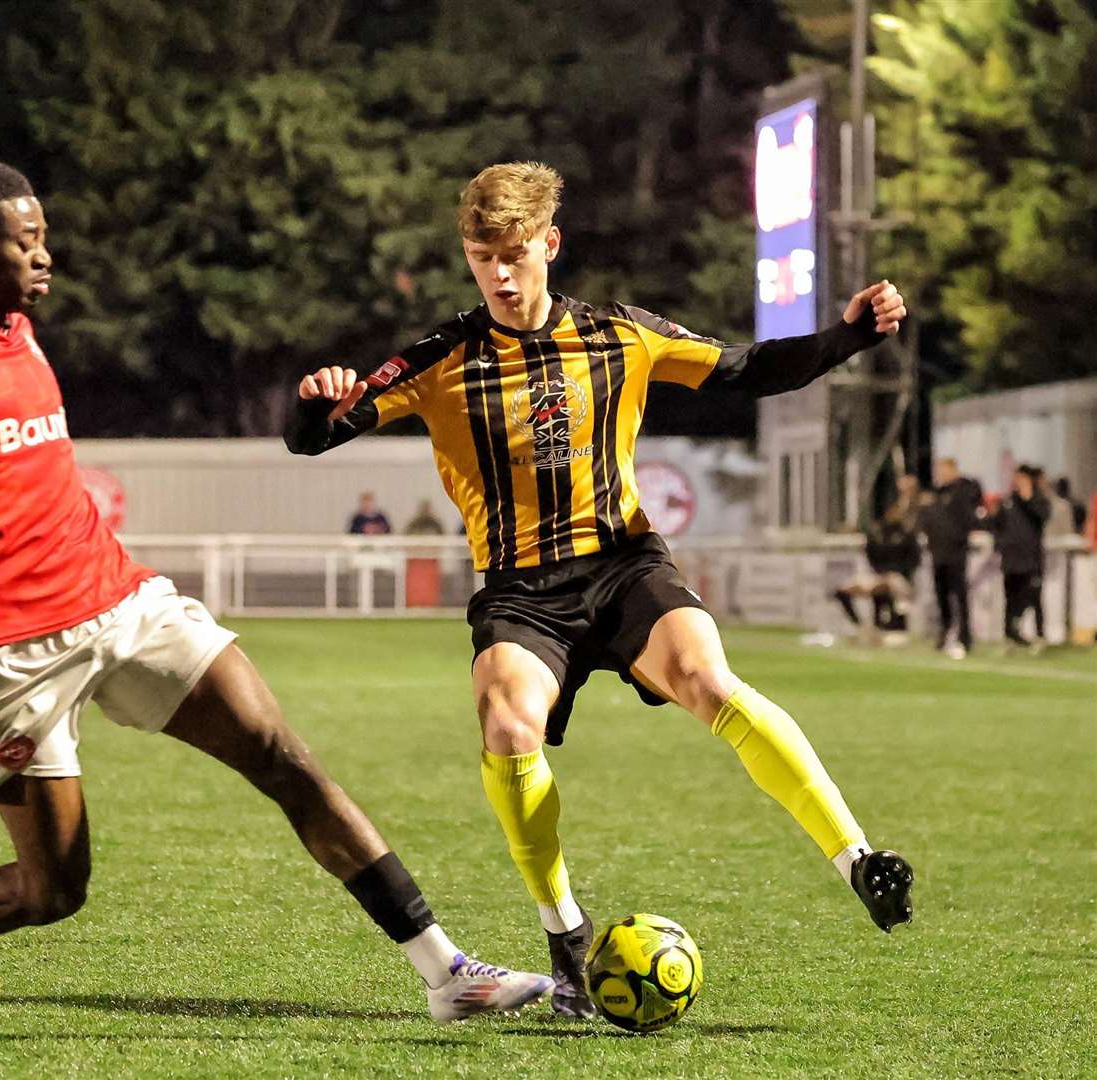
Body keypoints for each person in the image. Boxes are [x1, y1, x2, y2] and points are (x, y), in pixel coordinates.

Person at [0, 158, 551, 1024]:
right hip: (15, 648)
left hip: (124, 600)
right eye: (26, 241)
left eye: (46, 238)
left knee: (285, 757)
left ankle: (446, 972)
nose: (45, 257)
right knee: (52, 889)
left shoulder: (17, 328)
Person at [285, 161, 915, 1019]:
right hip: (521, 589)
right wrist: (313, 405)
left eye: (514, 253)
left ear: (550, 243)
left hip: (623, 563)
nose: (500, 275)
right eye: (481, 257)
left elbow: (745, 369)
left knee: (707, 678)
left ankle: (859, 860)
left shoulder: (619, 334)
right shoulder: (444, 359)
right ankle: (566, 935)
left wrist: (846, 338)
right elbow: (319, 436)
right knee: (506, 722)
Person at [916, 458, 983, 658]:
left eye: (944, 470)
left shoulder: (964, 491)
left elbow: (971, 514)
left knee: (959, 595)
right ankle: (945, 632)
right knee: (941, 595)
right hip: (938, 551)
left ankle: (965, 636)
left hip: (956, 551)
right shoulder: (936, 495)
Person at [833, 501, 921, 645]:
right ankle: (860, 627)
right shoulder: (875, 534)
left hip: (899, 576)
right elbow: (870, 558)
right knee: (843, 590)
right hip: (877, 575)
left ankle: (896, 627)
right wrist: (880, 574)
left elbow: (914, 560)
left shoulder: (906, 534)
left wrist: (897, 573)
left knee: (894, 589)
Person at [986, 466, 1050, 651]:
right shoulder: (1008, 501)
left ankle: (1039, 635)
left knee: (1033, 597)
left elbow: (1044, 517)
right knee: (1010, 598)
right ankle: (1011, 636)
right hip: (1011, 559)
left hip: (1031, 559)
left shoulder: (1038, 500)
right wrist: (1000, 543)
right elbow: (996, 525)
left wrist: (1028, 498)